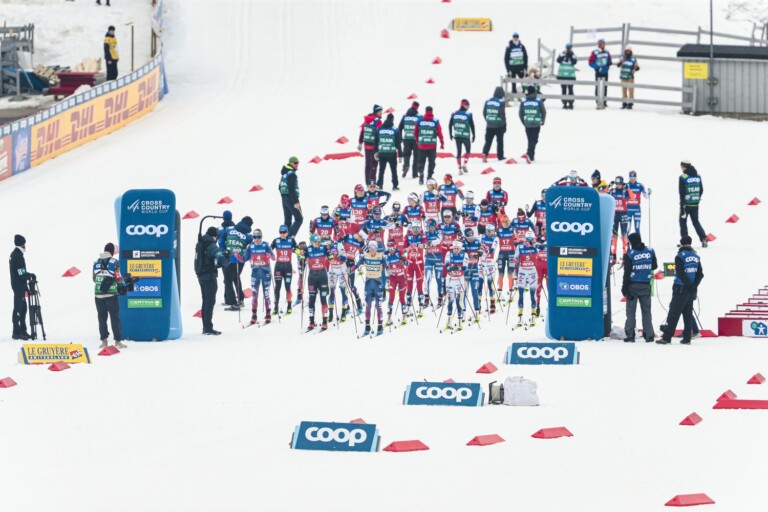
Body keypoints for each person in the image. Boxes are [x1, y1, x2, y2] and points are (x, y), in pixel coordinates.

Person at [658, 236, 704, 344]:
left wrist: (688, 285)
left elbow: (680, 273)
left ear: (681, 244)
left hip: (680, 288)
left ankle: (666, 337)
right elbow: (700, 274)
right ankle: (687, 338)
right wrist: (694, 285)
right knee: (687, 314)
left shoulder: (679, 256)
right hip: (691, 289)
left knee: (673, 313)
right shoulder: (696, 256)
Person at [622, 232, 657, 342]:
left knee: (631, 312)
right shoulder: (650, 251)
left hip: (632, 286)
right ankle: (649, 335)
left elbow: (627, 272)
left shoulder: (630, 254)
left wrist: (624, 287)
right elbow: (654, 266)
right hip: (646, 285)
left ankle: (630, 335)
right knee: (646, 311)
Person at [196, 226, 230, 335]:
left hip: (201, 275)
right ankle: (208, 328)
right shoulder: (211, 245)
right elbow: (223, 261)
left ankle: (205, 327)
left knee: (205, 301)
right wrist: (227, 257)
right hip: (209, 276)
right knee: (210, 302)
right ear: (215, 236)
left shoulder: (201, 243)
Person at [92, 243, 125, 349]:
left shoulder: (96, 262)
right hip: (111, 294)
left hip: (98, 295)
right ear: (112, 252)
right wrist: (122, 283)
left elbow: (94, 279)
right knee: (114, 317)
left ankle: (104, 342)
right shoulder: (115, 262)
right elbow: (118, 277)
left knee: (102, 318)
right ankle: (118, 342)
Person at [353, 241, 389, 336]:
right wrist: (350, 269)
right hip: (368, 284)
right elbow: (357, 265)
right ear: (368, 248)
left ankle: (380, 326)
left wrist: (389, 271)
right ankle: (367, 326)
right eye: (370, 247)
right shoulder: (365, 256)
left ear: (376, 248)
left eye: (374, 247)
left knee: (378, 305)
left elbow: (387, 267)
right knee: (368, 305)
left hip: (378, 283)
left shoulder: (381, 256)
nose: (372, 249)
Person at [245, 229, 275, 325]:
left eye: (259, 237)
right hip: (255, 273)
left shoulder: (266, 245)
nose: (257, 239)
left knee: (266, 294)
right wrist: (237, 256)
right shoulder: (250, 246)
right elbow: (244, 258)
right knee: (254, 295)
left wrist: (270, 256)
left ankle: (268, 313)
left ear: (261, 237)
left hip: (266, 272)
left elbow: (274, 258)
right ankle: (254, 315)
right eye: (255, 237)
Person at [223, 216, 253, 310]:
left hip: (230, 258)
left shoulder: (229, 229)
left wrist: (224, 251)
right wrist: (248, 258)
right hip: (240, 260)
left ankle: (233, 303)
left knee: (227, 280)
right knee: (236, 277)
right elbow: (250, 248)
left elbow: (220, 239)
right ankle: (240, 299)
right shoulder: (249, 235)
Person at [679, 160, 708, 248]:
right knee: (696, 222)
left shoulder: (683, 177)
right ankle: (704, 239)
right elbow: (701, 189)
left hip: (686, 204)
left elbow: (682, 193)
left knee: (683, 222)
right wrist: (696, 198)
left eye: (681, 166)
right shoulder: (697, 176)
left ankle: (685, 242)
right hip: (695, 203)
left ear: (684, 167)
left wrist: (682, 205)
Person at [305, 234, 331, 331]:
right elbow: (302, 257)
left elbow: (331, 257)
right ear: (312, 242)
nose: (318, 243)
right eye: (316, 242)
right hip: (312, 276)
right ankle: (311, 321)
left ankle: (325, 321)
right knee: (312, 300)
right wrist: (300, 254)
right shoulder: (308, 249)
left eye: (319, 242)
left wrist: (331, 255)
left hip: (322, 275)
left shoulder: (324, 248)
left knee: (323, 299)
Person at [413, 106, 444, 185]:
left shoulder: (419, 120)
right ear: (432, 111)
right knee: (431, 162)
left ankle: (421, 173)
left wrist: (417, 141)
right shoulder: (435, 121)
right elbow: (439, 132)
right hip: (432, 146)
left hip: (422, 145)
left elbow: (415, 132)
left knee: (421, 161)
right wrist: (442, 142)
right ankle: (429, 177)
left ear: (425, 111)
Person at [513, 232, 539, 325]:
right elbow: (515, 258)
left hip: (532, 272)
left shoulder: (536, 246)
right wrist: (516, 260)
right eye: (528, 239)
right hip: (522, 272)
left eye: (532, 240)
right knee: (521, 294)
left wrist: (535, 246)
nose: (530, 241)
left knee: (532, 294)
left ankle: (533, 315)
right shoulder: (520, 247)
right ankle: (520, 316)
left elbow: (544, 250)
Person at [271, 225, 297, 315]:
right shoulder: (276, 240)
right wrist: (268, 255)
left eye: (284, 232)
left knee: (287, 286)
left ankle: (289, 306)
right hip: (278, 266)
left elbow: (296, 249)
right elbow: (270, 249)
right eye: (281, 232)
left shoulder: (291, 240)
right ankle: (276, 307)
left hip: (288, 266)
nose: (282, 234)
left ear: (287, 232)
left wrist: (300, 252)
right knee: (277, 287)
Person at [443, 240, 469, 330]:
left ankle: (460, 321)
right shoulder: (449, 253)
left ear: (461, 248)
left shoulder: (464, 254)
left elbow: (465, 267)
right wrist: (450, 268)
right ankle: (449, 321)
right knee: (450, 300)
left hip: (459, 279)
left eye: (458, 248)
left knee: (459, 300)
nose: (456, 250)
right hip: (450, 279)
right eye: (454, 248)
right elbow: (446, 264)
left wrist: (458, 267)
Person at [10, 235, 31, 340]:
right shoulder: (18, 256)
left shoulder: (14, 254)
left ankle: (21, 330)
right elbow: (21, 274)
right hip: (19, 286)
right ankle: (17, 332)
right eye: (24, 244)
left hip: (17, 285)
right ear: (22, 244)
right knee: (19, 309)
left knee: (22, 308)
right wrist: (30, 275)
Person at [609, 176, 635, 263]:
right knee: (614, 236)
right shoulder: (612, 191)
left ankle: (624, 255)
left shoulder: (625, 191)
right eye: (616, 184)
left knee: (624, 235)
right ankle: (614, 255)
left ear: (622, 184)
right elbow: (603, 194)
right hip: (615, 215)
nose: (618, 185)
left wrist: (628, 188)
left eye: (619, 184)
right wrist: (609, 186)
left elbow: (632, 197)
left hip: (623, 214)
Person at [374, 113, 403, 190]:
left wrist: (375, 152)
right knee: (394, 171)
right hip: (392, 154)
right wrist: (400, 155)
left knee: (381, 170)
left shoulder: (379, 129)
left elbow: (375, 142)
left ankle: (379, 184)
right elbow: (398, 143)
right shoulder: (395, 130)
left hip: (382, 153)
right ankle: (395, 185)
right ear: (392, 120)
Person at [519, 86, 546, 163]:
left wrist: (524, 122)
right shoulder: (538, 101)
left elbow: (520, 113)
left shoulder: (524, 102)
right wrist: (543, 120)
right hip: (536, 124)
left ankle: (531, 156)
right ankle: (529, 154)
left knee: (530, 139)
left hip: (527, 123)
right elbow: (543, 112)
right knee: (534, 140)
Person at [385, 240, 408, 326]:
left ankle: (404, 317)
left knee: (402, 298)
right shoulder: (386, 255)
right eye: (389, 248)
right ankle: (389, 318)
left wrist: (403, 260)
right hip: (392, 278)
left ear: (395, 247)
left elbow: (407, 264)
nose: (391, 250)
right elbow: (385, 267)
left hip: (401, 277)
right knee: (391, 297)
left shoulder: (399, 252)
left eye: (392, 248)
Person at [358, 104, 384, 184]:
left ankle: (367, 182)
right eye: (379, 111)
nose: (381, 113)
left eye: (381, 111)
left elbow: (362, 131)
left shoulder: (366, 121)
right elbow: (379, 134)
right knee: (374, 165)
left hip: (366, 146)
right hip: (374, 147)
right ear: (376, 112)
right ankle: (372, 183)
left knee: (368, 164)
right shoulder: (378, 121)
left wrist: (360, 143)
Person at [449, 99, 475, 174]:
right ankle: (463, 165)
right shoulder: (468, 114)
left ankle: (461, 168)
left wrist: (450, 134)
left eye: (468, 105)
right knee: (467, 151)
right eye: (467, 105)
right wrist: (474, 135)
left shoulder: (454, 113)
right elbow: (472, 125)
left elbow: (450, 124)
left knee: (459, 152)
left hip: (457, 135)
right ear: (463, 105)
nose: (468, 107)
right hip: (465, 136)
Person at [327, 240, 350, 323]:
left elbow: (345, 259)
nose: (326, 245)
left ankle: (343, 313)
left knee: (343, 291)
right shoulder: (326, 247)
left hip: (342, 272)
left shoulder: (339, 245)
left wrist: (338, 254)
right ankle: (330, 314)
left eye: (327, 243)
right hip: (332, 271)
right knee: (331, 291)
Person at [279, 156, 303, 237]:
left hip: (284, 199)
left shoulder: (284, 174)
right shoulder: (291, 174)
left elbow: (279, 187)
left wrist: (284, 196)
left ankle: (284, 238)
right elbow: (291, 189)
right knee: (299, 219)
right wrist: (295, 201)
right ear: (291, 163)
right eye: (295, 163)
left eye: (298, 163)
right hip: (291, 199)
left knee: (287, 221)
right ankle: (289, 237)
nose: (297, 164)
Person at [478, 223, 499, 313]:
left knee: (490, 284)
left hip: (490, 263)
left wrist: (487, 250)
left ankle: (492, 304)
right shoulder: (481, 236)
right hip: (481, 263)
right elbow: (476, 245)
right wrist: (479, 251)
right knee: (479, 284)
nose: (488, 232)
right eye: (487, 230)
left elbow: (493, 249)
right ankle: (478, 304)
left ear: (494, 231)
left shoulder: (495, 238)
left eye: (490, 231)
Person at [423, 219, 444, 308]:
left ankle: (440, 298)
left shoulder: (439, 232)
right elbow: (423, 243)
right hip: (429, 258)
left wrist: (429, 242)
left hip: (438, 257)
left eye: (431, 226)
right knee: (427, 278)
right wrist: (424, 244)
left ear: (435, 226)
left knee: (439, 278)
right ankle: (426, 298)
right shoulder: (425, 233)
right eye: (428, 226)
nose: (429, 228)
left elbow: (438, 241)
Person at [482, 87, 506, 162]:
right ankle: (500, 156)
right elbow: (502, 115)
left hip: (489, 125)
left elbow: (484, 112)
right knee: (500, 142)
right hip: (499, 125)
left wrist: (488, 120)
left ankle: (485, 153)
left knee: (488, 141)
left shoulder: (488, 101)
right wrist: (504, 125)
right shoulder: (501, 102)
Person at [463, 229, 482, 321]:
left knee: (475, 292)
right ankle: (463, 314)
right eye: (468, 237)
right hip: (465, 271)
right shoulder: (463, 243)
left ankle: (477, 313)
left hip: (474, 269)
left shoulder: (477, 242)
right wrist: (470, 254)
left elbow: (482, 250)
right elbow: (461, 254)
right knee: (464, 293)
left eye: (471, 236)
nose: (470, 238)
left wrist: (479, 253)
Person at [398, 101, 421, 179]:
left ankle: (406, 166)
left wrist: (400, 138)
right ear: (417, 107)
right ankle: (415, 173)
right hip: (416, 139)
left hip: (406, 138)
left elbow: (399, 127)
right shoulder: (419, 117)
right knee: (416, 156)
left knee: (406, 155)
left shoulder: (405, 116)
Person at [496, 215, 516, 300]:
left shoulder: (512, 229)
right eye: (504, 222)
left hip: (511, 253)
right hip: (502, 253)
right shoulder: (499, 230)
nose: (505, 223)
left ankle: (510, 292)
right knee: (500, 273)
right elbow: (493, 238)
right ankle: (500, 293)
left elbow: (518, 239)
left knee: (510, 273)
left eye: (507, 222)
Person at [589, 38, 612, 108]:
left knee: (605, 87)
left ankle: (604, 102)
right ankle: (597, 101)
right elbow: (590, 62)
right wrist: (596, 67)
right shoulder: (595, 52)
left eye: (603, 43)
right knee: (597, 86)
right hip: (598, 72)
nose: (602, 45)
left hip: (605, 71)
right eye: (600, 43)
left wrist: (608, 64)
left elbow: (609, 60)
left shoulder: (607, 52)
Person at [556, 42, 577, 109]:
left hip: (570, 75)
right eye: (567, 48)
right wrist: (564, 55)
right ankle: (564, 103)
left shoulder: (573, 54)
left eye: (569, 48)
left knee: (570, 89)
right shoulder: (562, 54)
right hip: (562, 75)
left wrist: (570, 55)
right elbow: (558, 60)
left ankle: (571, 103)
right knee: (563, 89)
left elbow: (574, 62)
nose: (568, 49)